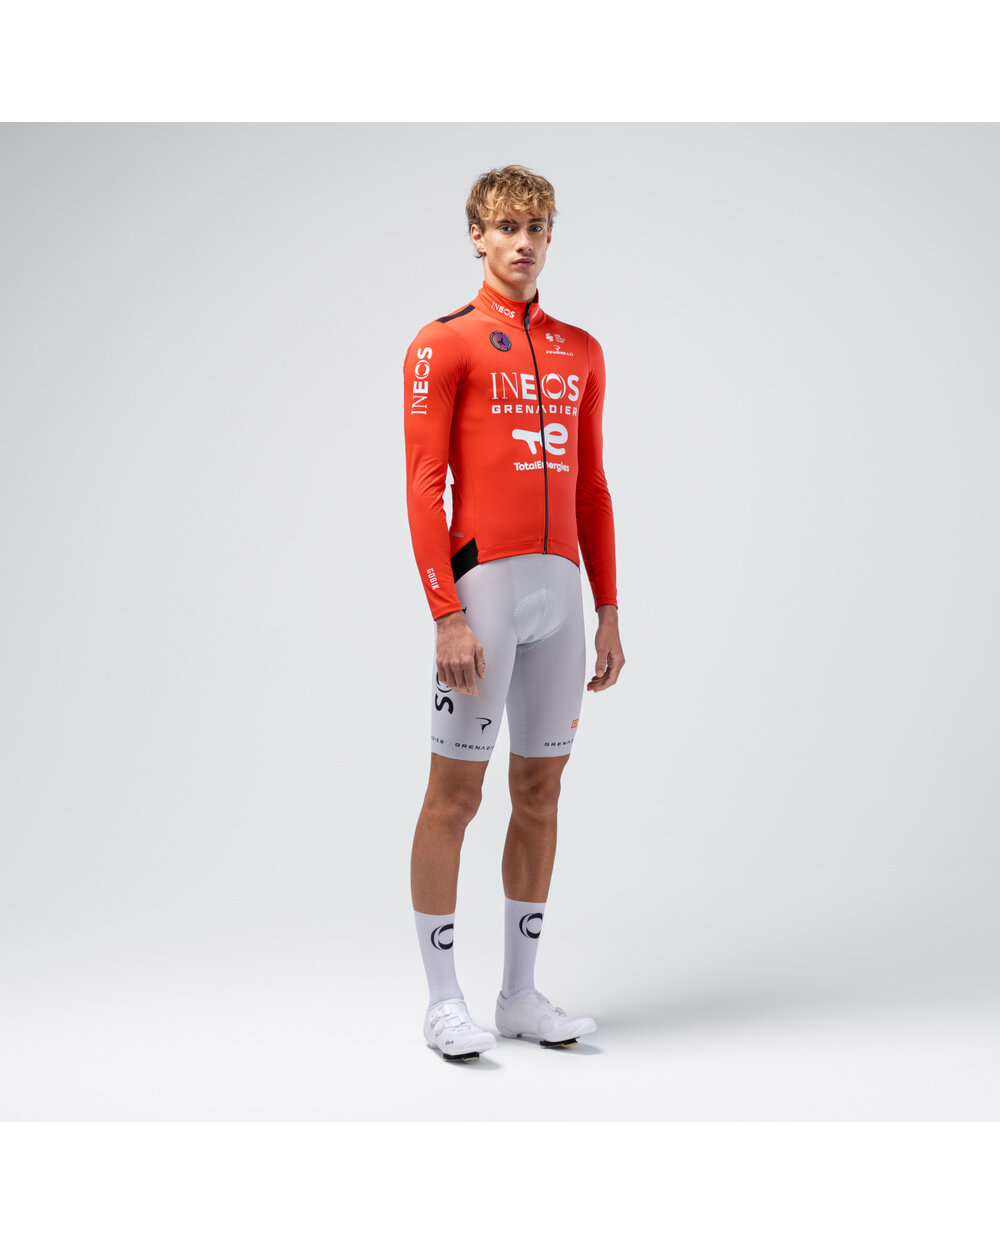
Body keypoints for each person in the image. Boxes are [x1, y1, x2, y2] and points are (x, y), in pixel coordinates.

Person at [403, 164, 624, 1061]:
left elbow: (593, 489)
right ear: (477, 236)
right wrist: (446, 614)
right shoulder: (443, 343)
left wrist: (608, 609)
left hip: (560, 596)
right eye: (506, 227)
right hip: (484, 594)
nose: (523, 242)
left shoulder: (582, 350)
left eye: (537, 227)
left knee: (540, 792)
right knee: (455, 796)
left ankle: (520, 996)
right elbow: (424, 484)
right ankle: (442, 1003)